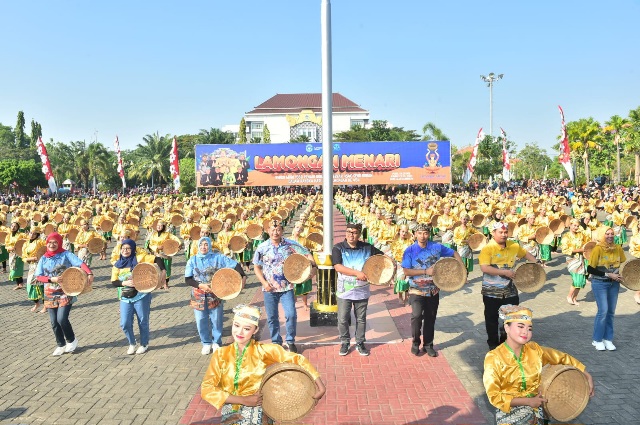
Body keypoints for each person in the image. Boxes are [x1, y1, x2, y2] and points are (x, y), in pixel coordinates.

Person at [200, 304, 326, 424]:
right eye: (236, 325)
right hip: (230, 411)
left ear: (255, 330)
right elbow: (207, 389)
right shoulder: (221, 354)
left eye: (247, 328)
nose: (240, 332)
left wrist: (319, 384)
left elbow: (298, 359)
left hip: (258, 409)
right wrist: (242, 400)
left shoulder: (262, 351)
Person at [483, 304, 594, 425]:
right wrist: (527, 401)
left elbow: (562, 358)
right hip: (509, 414)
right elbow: (494, 396)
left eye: (529, 328)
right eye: (520, 326)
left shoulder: (534, 349)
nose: (525, 332)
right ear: (507, 328)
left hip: (537, 410)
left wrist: (586, 374)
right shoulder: (494, 357)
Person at [253, 220, 315, 354]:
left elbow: (307, 253)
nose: (275, 232)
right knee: (272, 317)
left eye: (278, 230)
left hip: (286, 287)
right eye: (273, 230)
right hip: (269, 288)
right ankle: (276, 342)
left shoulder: (290, 244)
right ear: (268, 231)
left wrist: (312, 267)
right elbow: (256, 267)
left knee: (291, 314)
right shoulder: (262, 247)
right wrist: (264, 283)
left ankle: (290, 340)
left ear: (282, 231)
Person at [401, 223, 463, 357]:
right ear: (415, 234)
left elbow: (454, 253)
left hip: (433, 290)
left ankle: (428, 345)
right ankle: (415, 342)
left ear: (429, 234)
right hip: (416, 290)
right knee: (416, 317)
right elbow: (406, 271)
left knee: (430, 318)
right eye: (420, 233)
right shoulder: (410, 250)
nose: (423, 236)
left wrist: (461, 269)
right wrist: (425, 271)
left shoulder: (436, 247)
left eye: (425, 233)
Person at [478, 222, 537, 350]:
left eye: (506, 232)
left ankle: (506, 342)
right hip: (491, 292)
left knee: (512, 317)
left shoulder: (513, 245)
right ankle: (493, 345)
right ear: (493, 233)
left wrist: (536, 263)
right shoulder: (488, 248)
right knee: (491, 318)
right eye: (500, 232)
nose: (504, 235)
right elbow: (484, 268)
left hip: (510, 291)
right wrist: (504, 272)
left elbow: (525, 253)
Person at [34, 233, 94, 356]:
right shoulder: (44, 258)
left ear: (59, 243)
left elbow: (80, 263)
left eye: (55, 242)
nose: (52, 245)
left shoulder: (66, 254)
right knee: (54, 322)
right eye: (50, 242)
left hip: (66, 291)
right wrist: (52, 280)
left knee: (61, 319)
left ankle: (71, 340)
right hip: (50, 293)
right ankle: (61, 345)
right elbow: (38, 276)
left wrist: (89, 273)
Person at [185, 236, 247, 355]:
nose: (204, 247)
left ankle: (217, 342)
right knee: (201, 320)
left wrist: (243, 276)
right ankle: (206, 342)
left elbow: (235, 265)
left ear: (210, 245)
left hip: (216, 293)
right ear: (198, 246)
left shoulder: (218, 257)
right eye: (201, 244)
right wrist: (200, 285)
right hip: (198, 295)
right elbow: (188, 279)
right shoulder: (192, 260)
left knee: (216, 319)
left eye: (206, 244)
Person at [332, 222, 383, 357]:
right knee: (342, 318)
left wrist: (390, 265)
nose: (351, 235)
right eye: (349, 232)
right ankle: (345, 342)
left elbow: (382, 258)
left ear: (359, 234)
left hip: (362, 290)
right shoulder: (338, 248)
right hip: (345, 291)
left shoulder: (367, 247)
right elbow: (338, 267)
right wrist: (357, 273)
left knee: (361, 319)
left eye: (354, 232)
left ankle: (360, 342)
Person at [111, 238, 166, 355]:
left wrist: (163, 271)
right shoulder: (117, 264)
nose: (125, 250)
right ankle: (132, 343)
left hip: (142, 295)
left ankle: (144, 344)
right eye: (123, 248)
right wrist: (124, 283)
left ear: (133, 249)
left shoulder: (140, 258)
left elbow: (157, 258)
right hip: (125, 297)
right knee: (124, 323)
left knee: (143, 321)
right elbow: (114, 281)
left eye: (128, 248)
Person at [586, 226, 625, 351]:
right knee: (603, 311)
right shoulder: (597, 249)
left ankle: (608, 339)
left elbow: (623, 263)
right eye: (607, 234)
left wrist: (621, 274)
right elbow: (590, 269)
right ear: (602, 235)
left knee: (611, 312)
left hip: (614, 284)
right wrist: (609, 275)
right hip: (599, 283)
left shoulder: (618, 248)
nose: (610, 236)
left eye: (612, 234)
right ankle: (597, 340)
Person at [560, 218, 590, 305]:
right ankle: (569, 296)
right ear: (570, 225)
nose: (576, 227)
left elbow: (587, 244)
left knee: (581, 280)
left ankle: (575, 298)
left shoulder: (581, 235)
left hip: (581, 259)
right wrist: (578, 250)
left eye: (577, 226)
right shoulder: (566, 236)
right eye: (574, 225)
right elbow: (565, 249)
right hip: (572, 260)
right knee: (576, 279)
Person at [21, 226, 47, 312]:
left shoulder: (40, 242)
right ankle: (37, 303)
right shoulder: (26, 243)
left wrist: (40, 257)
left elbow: (46, 251)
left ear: (37, 234)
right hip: (31, 266)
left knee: (40, 285)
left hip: (39, 265)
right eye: (31, 233)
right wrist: (30, 259)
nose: (32, 235)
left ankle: (45, 306)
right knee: (30, 286)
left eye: (34, 233)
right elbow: (23, 256)